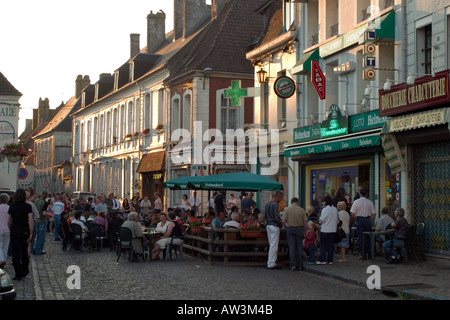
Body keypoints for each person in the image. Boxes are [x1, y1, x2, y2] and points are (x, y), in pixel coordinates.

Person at [7, 189, 34, 280]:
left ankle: (18, 273)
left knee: (15, 253)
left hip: (14, 231)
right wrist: (31, 233)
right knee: (24, 252)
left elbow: (8, 220)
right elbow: (30, 220)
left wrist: (10, 228)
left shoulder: (12, 206)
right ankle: (25, 270)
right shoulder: (28, 206)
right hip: (24, 231)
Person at [282, 197, 308, 271]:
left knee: (292, 247)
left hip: (290, 229)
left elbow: (283, 221)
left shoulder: (287, 209)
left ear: (291, 202)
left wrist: (286, 226)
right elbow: (305, 223)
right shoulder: (302, 210)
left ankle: (292, 265)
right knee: (299, 247)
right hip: (299, 229)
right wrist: (305, 230)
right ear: (297, 202)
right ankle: (300, 265)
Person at [350, 188, 375, 259]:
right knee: (368, 237)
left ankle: (363, 254)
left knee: (361, 237)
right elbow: (373, 214)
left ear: (360, 194)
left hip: (359, 219)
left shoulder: (356, 202)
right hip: (367, 219)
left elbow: (352, 213)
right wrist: (370, 220)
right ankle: (370, 253)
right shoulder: (370, 202)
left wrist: (356, 219)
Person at [317, 195, 339, 265]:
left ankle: (323, 259)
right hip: (333, 229)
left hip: (325, 229)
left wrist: (319, 220)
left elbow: (322, 219)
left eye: (323, 202)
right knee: (330, 245)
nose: (322, 203)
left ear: (325, 202)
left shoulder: (325, 209)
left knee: (323, 245)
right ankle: (330, 260)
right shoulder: (335, 209)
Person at [265, 191, 283, 270]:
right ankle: (271, 263)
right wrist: (280, 223)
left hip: (268, 224)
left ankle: (270, 262)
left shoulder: (267, 204)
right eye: (281, 198)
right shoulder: (275, 204)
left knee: (271, 244)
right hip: (274, 225)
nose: (281, 200)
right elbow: (276, 217)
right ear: (278, 197)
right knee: (274, 245)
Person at [31, 191, 49, 255]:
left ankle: (35, 248)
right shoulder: (45, 203)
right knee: (41, 236)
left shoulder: (36, 201)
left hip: (36, 220)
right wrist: (49, 215)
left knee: (37, 236)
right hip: (42, 220)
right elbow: (44, 213)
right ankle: (39, 250)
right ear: (46, 196)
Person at [0, 193, 11, 269]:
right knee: (5, 246)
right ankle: (3, 260)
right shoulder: (9, 208)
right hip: (7, 229)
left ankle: (1, 259)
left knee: (0, 245)